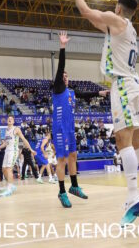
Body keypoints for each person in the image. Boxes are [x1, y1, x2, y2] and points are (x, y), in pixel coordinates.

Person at [60, 0, 139, 223]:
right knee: (137, 141)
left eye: (114, 7)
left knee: (123, 140)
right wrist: (82, 0)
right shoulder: (126, 28)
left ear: (118, 8)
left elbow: (89, 13)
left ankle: (133, 196)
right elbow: (92, 19)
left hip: (124, 86)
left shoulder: (117, 21)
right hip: (134, 84)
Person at [52, 31, 109, 208]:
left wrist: (99, 92)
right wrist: (62, 47)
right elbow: (61, 67)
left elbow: (84, 94)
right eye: (63, 75)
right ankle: (62, 192)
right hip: (60, 128)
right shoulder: (58, 88)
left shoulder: (71, 92)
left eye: (67, 76)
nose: (65, 77)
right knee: (61, 159)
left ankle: (74, 186)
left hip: (69, 128)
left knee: (73, 156)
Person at [0, 115, 36, 197]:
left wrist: (31, 149)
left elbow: (24, 139)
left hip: (13, 151)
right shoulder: (6, 130)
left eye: (11, 119)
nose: (9, 120)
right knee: (3, 169)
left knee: (9, 169)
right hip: (7, 151)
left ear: (13, 121)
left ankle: (9, 189)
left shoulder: (16, 129)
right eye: (8, 119)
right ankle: (11, 185)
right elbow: (6, 143)